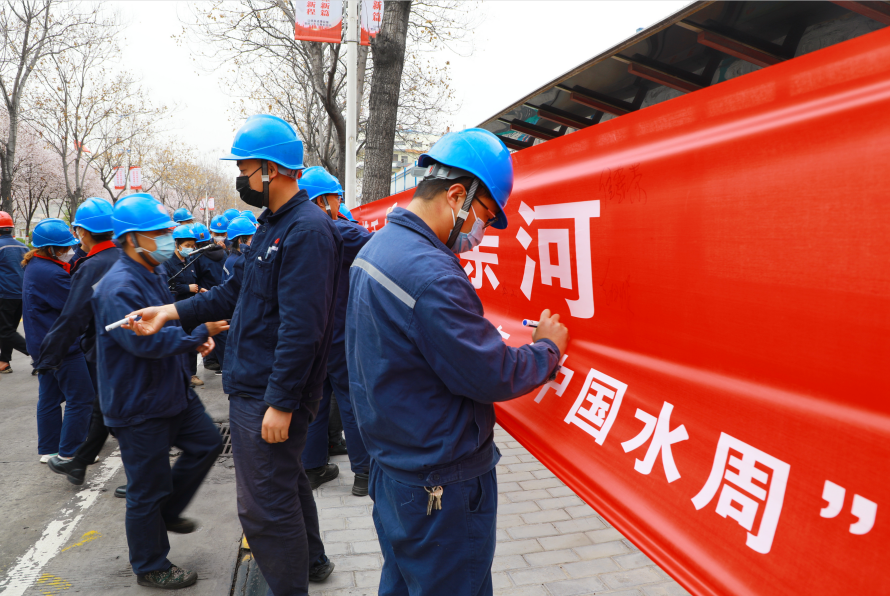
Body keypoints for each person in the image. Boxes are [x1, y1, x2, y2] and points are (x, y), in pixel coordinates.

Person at [346, 128, 570, 596]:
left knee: (403, 584)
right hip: (440, 487)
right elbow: (490, 374)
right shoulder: (431, 274)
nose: (481, 233)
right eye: (485, 215)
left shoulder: (375, 250)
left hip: (395, 472)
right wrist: (546, 350)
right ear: (455, 196)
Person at [125, 114, 341, 595]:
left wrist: (281, 402)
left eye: (244, 170)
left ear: (270, 169)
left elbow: (303, 329)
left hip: (268, 394)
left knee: (264, 510)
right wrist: (169, 311)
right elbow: (231, 293)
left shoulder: (306, 230)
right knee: (285, 487)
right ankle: (311, 564)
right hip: (257, 388)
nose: (240, 180)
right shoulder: (273, 225)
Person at [94, 193, 225, 590]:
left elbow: (168, 323)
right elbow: (144, 342)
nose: (168, 239)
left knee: (207, 443)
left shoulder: (150, 271)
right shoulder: (117, 287)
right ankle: (151, 564)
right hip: (138, 404)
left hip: (171, 392)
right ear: (132, 239)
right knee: (147, 489)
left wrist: (191, 337)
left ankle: (167, 512)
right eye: (160, 233)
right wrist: (199, 334)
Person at [35, 199, 126, 495]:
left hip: (107, 348)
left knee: (121, 411)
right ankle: (78, 463)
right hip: (125, 345)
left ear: (83, 232)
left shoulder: (91, 266)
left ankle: (144, 479)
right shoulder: (125, 257)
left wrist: (50, 355)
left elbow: (72, 316)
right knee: (102, 406)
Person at [299, 166, 372, 495]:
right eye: (335, 198)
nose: (338, 204)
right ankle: (364, 474)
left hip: (309, 334)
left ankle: (313, 468)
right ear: (321, 200)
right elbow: (383, 244)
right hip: (340, 334)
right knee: (351, 401)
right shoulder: (339, 230)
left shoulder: (293, 230)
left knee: (315, 401)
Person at [21, 219, 94, 464]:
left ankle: (50, 450)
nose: (69, 251)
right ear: (50, 249)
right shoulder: (50, 273)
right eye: (64, 247)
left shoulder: (36, 264)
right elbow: (77, 305)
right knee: (81, 398)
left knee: (50, 398)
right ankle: (71, 452)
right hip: (62, 346)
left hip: (42, 344)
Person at [157, 225, 204, 387]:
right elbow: (168, 285)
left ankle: (191, 373)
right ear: (177, 244)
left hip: (191, 306)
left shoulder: (190, 261)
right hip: (176, 307)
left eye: (192, 245)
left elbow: (194, 281)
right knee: (179, 339)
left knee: (192, 339)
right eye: (187, 245)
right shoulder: (168, 263)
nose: (190, 248)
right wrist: (186, 288)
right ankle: (179, 373)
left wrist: (198, 289)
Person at [214, 215, 255, 376]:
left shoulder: (237, 258)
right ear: (241, 240)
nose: (253, 241)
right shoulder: (235, 262)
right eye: (250, 238)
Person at [200, 215, 230, 373]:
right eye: (216, 233)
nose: (219, 236)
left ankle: (218, 362)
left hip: (210, 296)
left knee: (218, 331)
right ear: (211, 232)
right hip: (218, 295)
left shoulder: (225, 251)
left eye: (222, 233)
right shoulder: (222, 253)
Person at [0, 210, 28, 374]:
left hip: (5, 294)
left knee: (5, 330)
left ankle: (38, 355)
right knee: (9, 329)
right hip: (21, 294)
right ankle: (4, 362)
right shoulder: (23, 246)